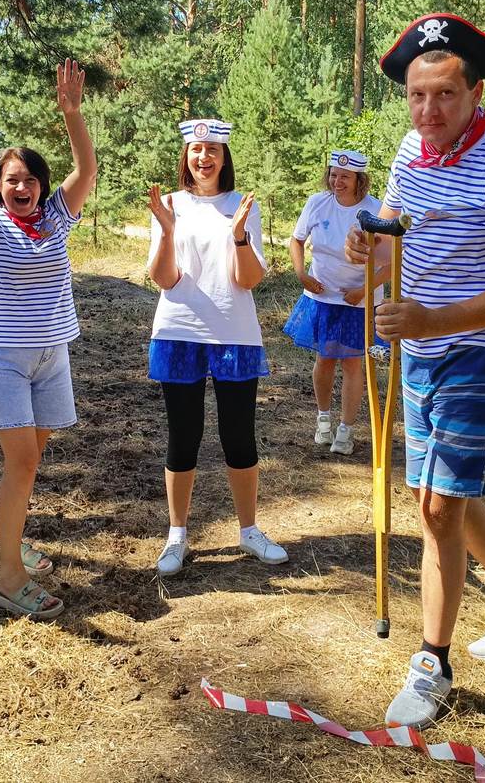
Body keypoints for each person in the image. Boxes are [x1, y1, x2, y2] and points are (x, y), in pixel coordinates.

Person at [345, 13, 485, 728]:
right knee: (439, 495)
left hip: (484, 352)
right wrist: (368, 246)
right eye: (416, 95)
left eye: (443, 94)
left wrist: (433, 320)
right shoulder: (411, 149)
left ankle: (431, 664)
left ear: (474, 92)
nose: (428, 111)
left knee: (437, 507)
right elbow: (393, 230)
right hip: (422, 350)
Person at [0, 51, 97, 620]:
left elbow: (87, 171)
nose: (22, 186)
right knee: (22, 463)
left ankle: (13, 540)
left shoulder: (56, 217)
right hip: (4, 357)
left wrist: (72, 113)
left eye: (30, 178)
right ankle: (9, 577)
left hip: (52, 354)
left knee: (30, 460)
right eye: (11, 180)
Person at [146, 119, 288, 578]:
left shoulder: (243, 205)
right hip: (179, 332)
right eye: (196, 149)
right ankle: (177, 534)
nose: (203, 157)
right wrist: (167, 231)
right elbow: (165, 279)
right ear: (186, 156)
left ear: (224, 157)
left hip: (234, 334)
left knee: (238, 435)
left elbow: (247, 280)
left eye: (212, 150)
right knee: (183, 435)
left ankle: (249, 530)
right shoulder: (170, 204)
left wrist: (240, 234)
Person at [283, 149, 388, 455]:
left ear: (360, 180)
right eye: (333, 175)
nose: (337, 181)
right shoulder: (317, 203)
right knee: (324, 358)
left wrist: (364, 291)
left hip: (358, 300)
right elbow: (296, 240)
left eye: (345, 177)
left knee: (353, 363)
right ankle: (323, 420)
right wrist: (302, 274)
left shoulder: (376, 211)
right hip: (322, 296)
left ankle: (346, 430)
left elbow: (392, 263)